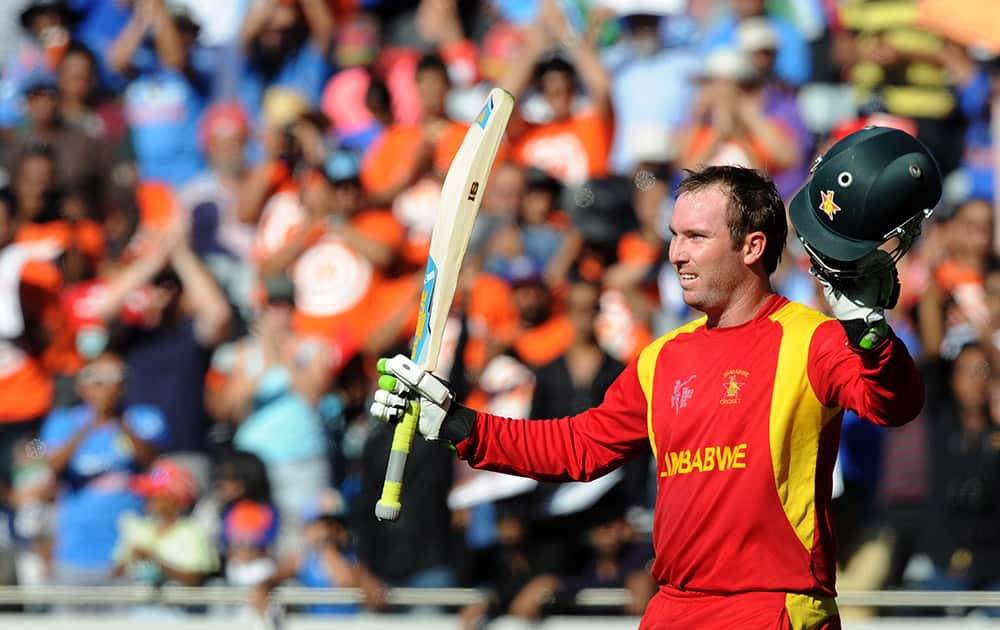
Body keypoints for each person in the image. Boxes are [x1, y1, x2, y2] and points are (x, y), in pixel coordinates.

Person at [371, 161, 927, 627]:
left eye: (695, 238)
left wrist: (871, 331)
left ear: (752, 246)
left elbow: (895, 404)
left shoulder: (816, 339)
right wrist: (457, 425)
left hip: (770, 606)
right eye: (673, 236)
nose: (675, 255)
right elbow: (579, 447)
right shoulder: (663, 358)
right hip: (672, 609)